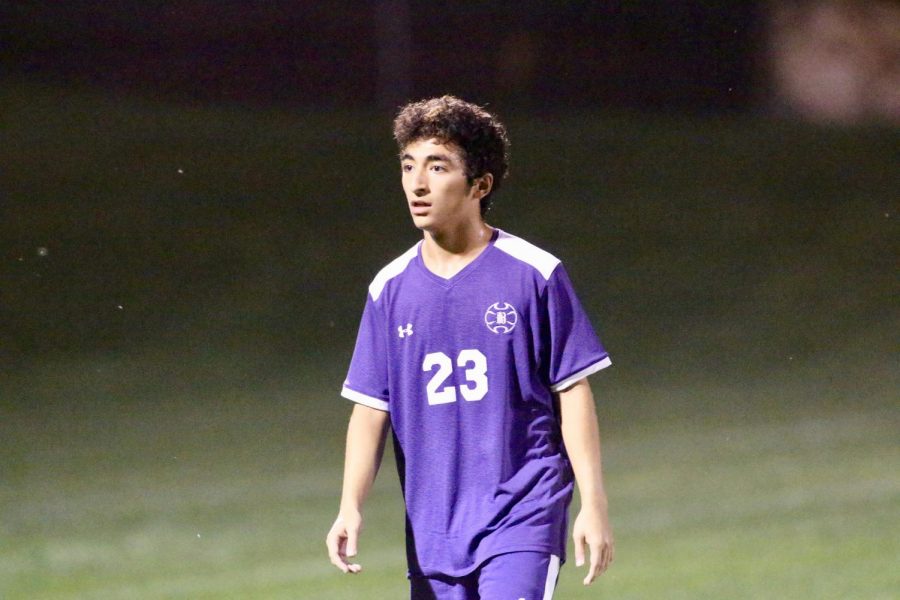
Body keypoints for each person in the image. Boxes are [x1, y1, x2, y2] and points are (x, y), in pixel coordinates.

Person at [326, 95, 614, 599]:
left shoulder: (535, 274)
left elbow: (573, 390)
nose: (417, 183)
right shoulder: (389, 289)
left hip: (523, 511)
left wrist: (593, 503)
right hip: (433, 528)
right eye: (409, 165)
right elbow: (371, 410)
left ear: (479, 185)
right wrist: (350, 505)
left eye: (438, 167)